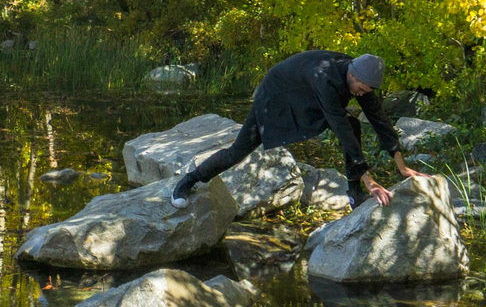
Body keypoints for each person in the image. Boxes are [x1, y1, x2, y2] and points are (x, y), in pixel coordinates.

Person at [173, 50, 418, 204]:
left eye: (366, 92)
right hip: (275, 98)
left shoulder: (359, 77)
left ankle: (354, 194)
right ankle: (189, 180)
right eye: (359, 90)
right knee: (238, 151)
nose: (360, 95)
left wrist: (402, 165)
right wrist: (369, 178)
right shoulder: (326, 78)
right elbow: (339, 127)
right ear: (351, 75)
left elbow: (379, 119)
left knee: (354, 125)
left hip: (306, 97)